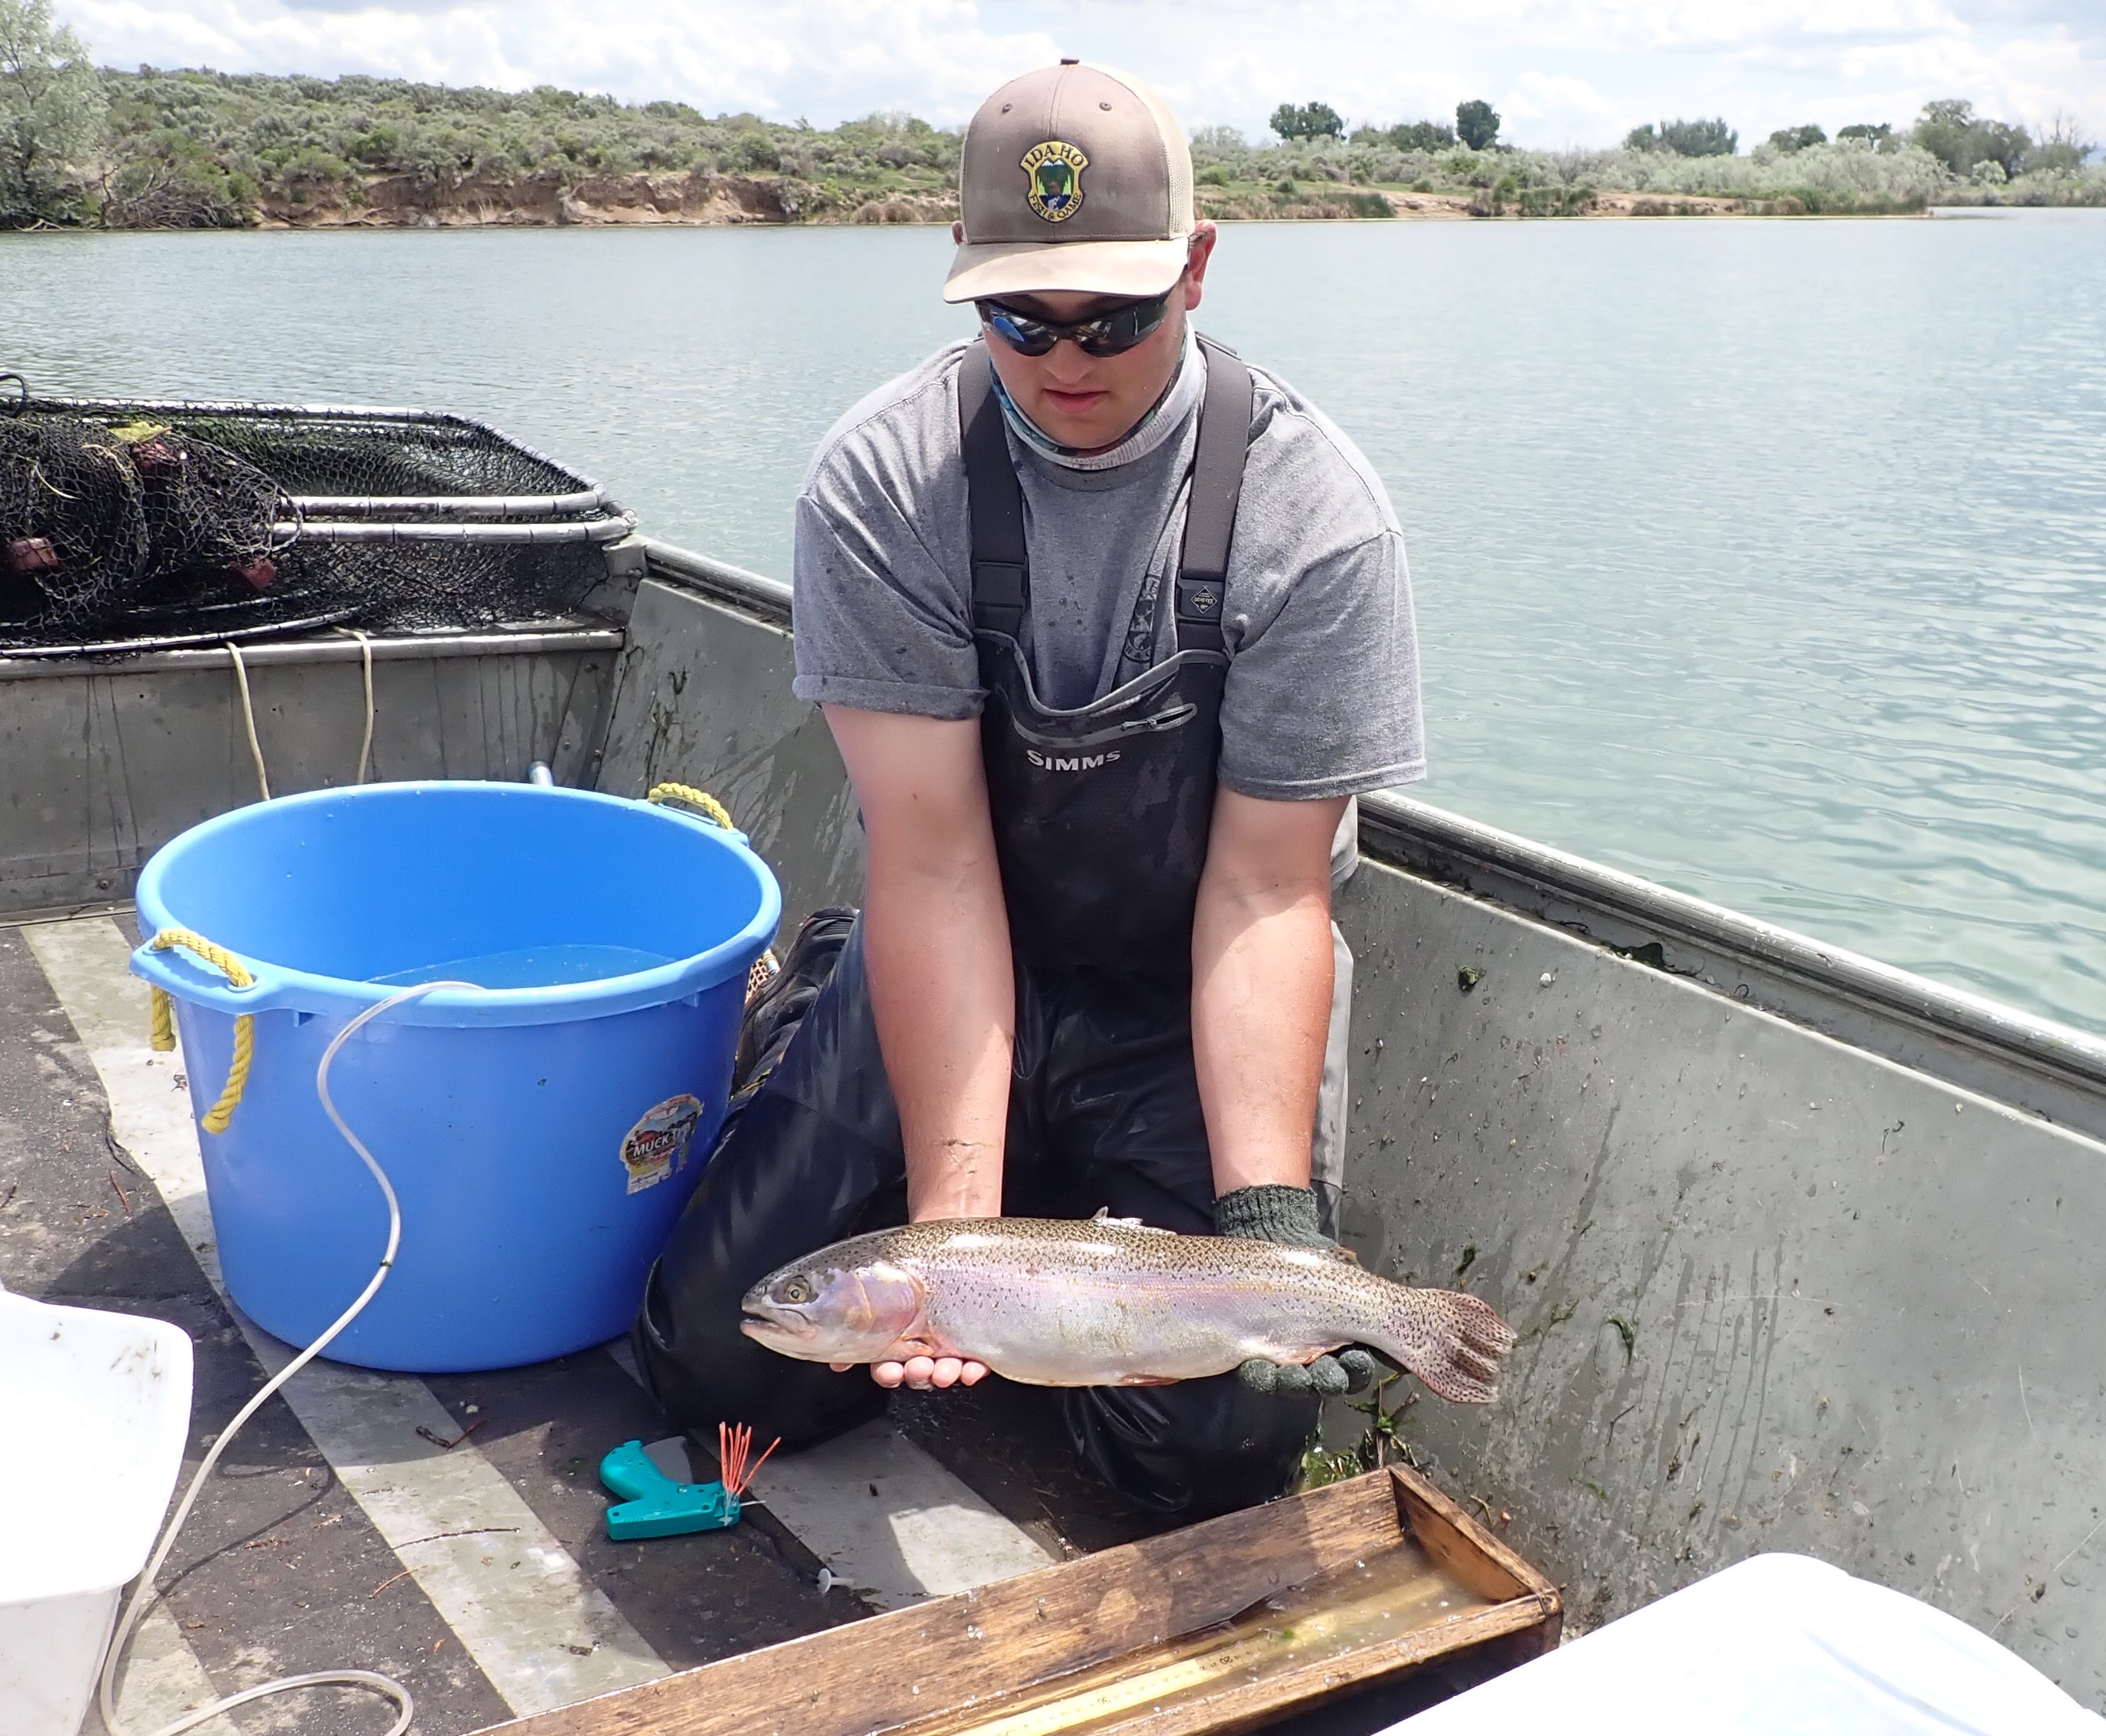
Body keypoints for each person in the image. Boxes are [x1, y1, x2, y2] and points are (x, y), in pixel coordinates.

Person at [634, 59, 1424, 1520]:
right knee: (718, 1362)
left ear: (1194, 268)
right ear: (964, 283)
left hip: (1176, 995)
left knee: (1217, 1456)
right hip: (943, 949)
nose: (1066, 360)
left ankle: (1099, 1237)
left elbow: (1266, 888)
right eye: (1019, 317)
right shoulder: (881, 485)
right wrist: (953, 1237)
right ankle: (874, 1059)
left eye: (1111, 317)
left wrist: (1262, 1228)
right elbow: (929, 862)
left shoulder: (1316, 520)